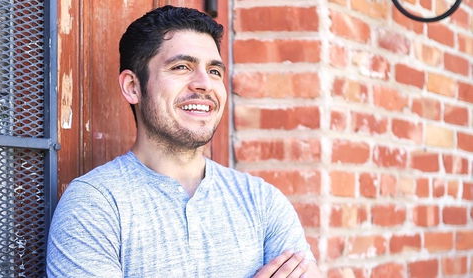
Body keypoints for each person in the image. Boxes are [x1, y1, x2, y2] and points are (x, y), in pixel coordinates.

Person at [46, 5, 321, 278]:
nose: (204, 84)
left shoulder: (261, 201)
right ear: (133, 87)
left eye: (214, 71)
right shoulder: (95, 204)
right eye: (181, 67)